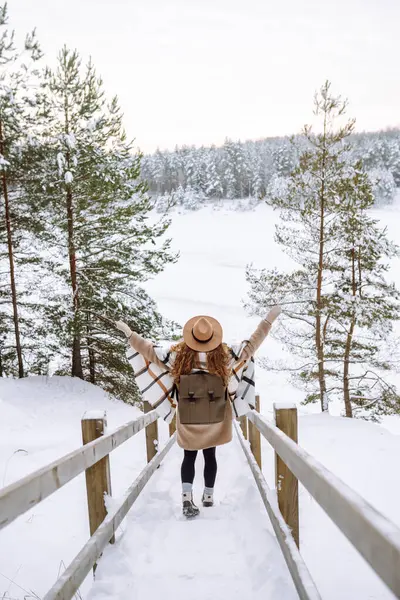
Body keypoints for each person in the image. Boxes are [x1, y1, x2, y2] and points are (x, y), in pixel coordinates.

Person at [115, 305, 281, 518]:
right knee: (210, 454)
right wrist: (268, 320)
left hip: (189, 414)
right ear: (213, 336)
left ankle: (186, 498)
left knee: (189, 456)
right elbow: (252, 344)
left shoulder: (178, 355)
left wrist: (130, 334)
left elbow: (149, 350)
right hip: (215, 415)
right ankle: (209, 496)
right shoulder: (224, 355)